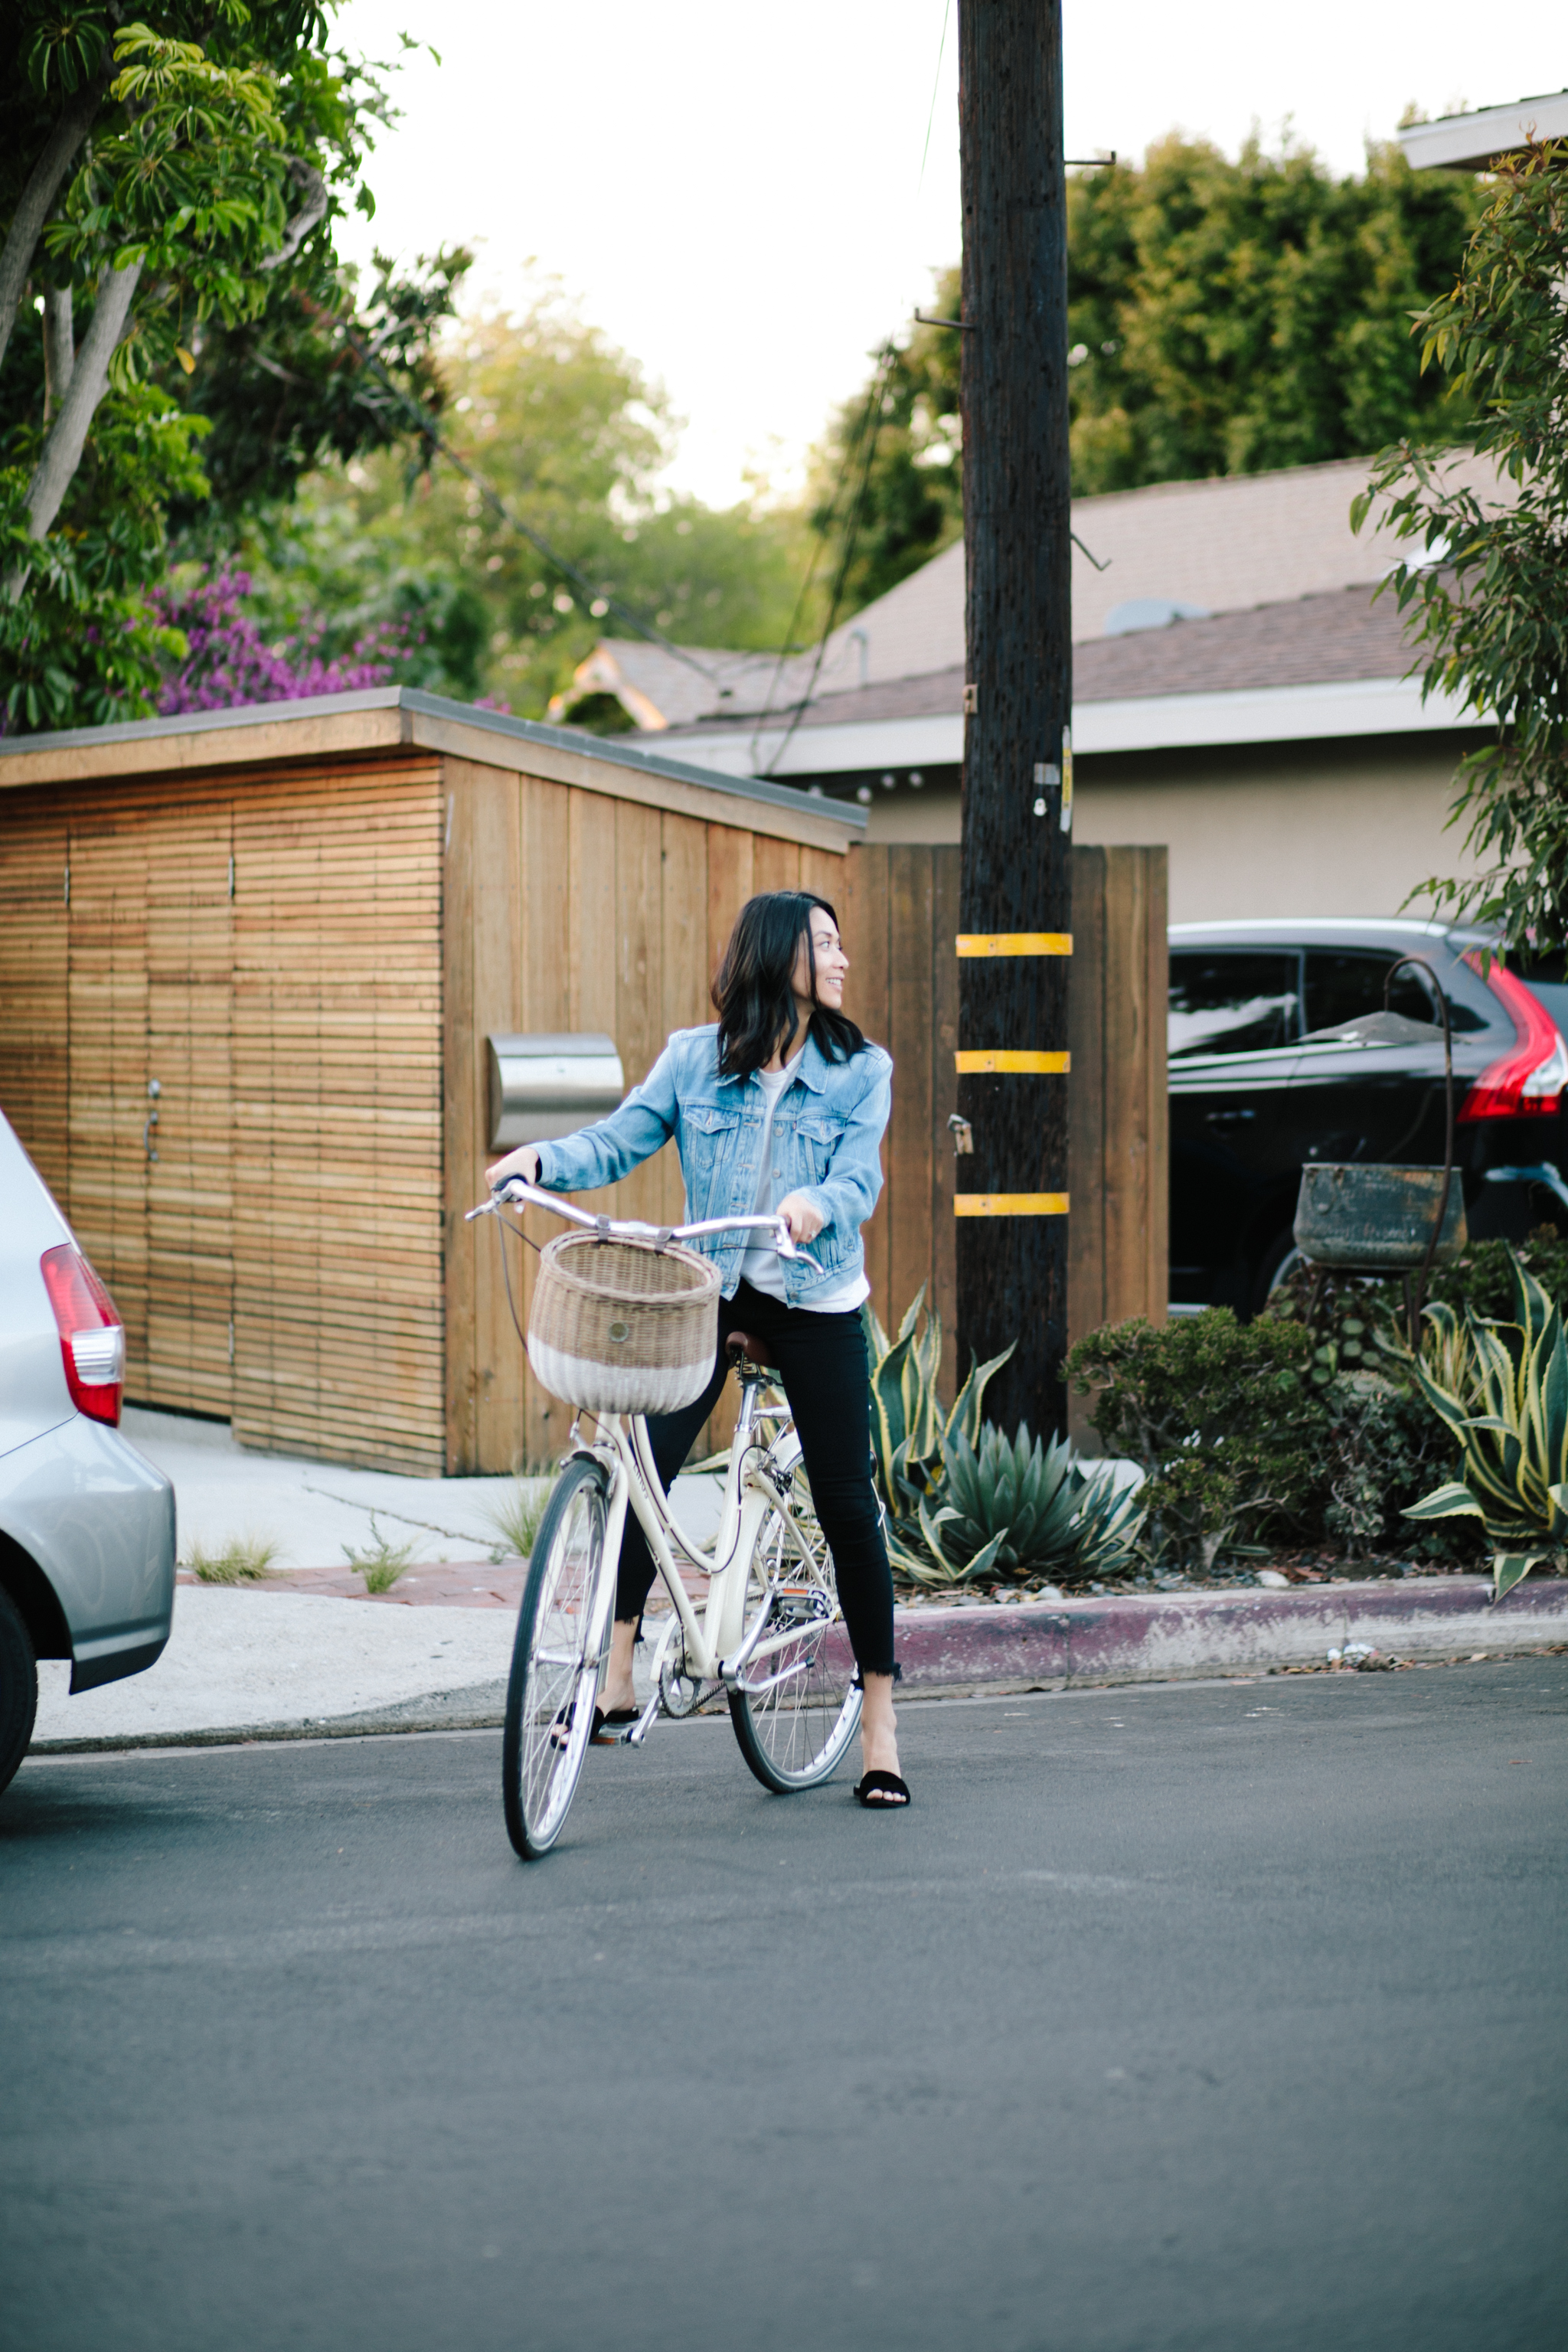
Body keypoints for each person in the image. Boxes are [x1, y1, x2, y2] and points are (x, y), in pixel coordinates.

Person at [485, 890, 909, 1808]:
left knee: (844, 1499)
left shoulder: (858, 1069)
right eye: (823, 945)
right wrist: (540, 1163)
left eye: (839, 944)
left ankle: (879, 1723)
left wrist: (814, 1206)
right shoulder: (692, 1061)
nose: (840, 960)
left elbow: (858, 1178)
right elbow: (618, 1140)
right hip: (711, 1286)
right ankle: (620, 1665)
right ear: (779, 960)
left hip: (811, 1292)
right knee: (648, 1457)